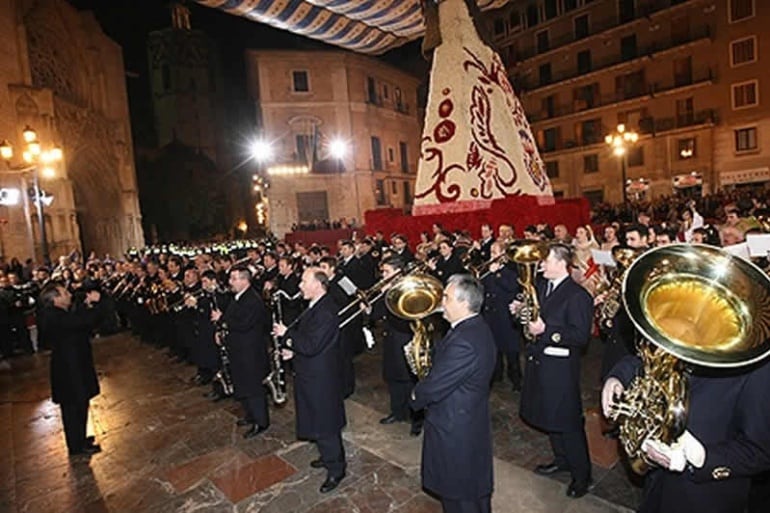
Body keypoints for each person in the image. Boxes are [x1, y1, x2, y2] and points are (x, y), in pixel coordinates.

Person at [602, 356, 770, 513]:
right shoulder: (688, 328)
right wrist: (620, 375)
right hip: (656, 483)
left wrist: (704, 459)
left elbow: (760, 451)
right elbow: (649, 358)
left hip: (703, 499)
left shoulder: (759, 365)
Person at [511, 243, 594, 498]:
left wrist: (546, 331)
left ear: (561, 263)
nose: (541, 265)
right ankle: (561, 460)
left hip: (559, 367)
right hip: (540, 362)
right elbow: (533, 317)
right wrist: (519, 312)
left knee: (567, 421)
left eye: (545, 261)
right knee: (550, 415)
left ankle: (582, 476)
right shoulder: (540, 286)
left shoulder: (578, 296)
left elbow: (580, 337)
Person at [409, 274, 496, 513]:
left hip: (456, 427)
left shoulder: (465, 341)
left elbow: (436, 384)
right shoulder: (473, 328)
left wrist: (417, 395)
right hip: (466, 418)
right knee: (472, 492)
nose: (441, 302)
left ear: (464, 303)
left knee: (459, 496)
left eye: (446, 297)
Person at [273, 267, 347, 493]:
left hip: (321, 379)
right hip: (311, 373)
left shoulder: (325, 311)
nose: (300, 285)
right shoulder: (315, 306)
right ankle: (327, 457)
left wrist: (286, 335)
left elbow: (313, 344)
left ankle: (337, 469)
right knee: (317, 419)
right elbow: (311, 342)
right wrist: (294, 352)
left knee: (326, 424)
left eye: (304, 281)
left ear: (318, 284)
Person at [38, 282, 104, 456]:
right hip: (70, 368)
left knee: (80, 404)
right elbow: (83, 322)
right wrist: (95, 305)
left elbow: (78, 321)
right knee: (74, 407)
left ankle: (80, 439)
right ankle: (77, 446)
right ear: (56, 299)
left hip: (72, 365)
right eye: (64, 293)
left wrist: (86, 305)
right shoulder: (54, 316)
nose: (69, 295)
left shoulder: (58, 313)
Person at [211, 266, 270, 439]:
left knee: (253, 387)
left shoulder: (252, 300)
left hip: (250, 353)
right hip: (239, 350)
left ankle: (261, 421)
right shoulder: (237, 297)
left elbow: (243, 324)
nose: (230, 282)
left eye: (234, 278)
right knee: (242, 384)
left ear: (245, 280)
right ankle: (250, 415)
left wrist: (222, 319)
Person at [481, 241, 522, 391]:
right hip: (491, 315)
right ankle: (496, 375)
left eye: (495, 252)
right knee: (494, 349)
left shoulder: (511, 270)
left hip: (506, 316)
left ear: (503, 255)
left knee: (511, 351)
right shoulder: (488, 269)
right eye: (491, 252)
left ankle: (516, 380)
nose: (492, 255)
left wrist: (497, 274)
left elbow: (511, 287)